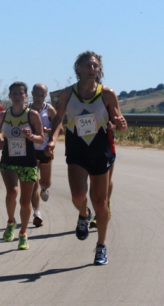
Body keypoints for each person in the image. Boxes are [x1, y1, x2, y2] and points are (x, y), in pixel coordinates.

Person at [45, 51, 127, 265]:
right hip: (77, 150)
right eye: (88, 65)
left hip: (100, 150)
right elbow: (59, 119)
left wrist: (121, 123)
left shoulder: (107, 94)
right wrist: (52, 140)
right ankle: (83, 214)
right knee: (78, 197)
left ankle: (101, 246)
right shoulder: (66, 94)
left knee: (101, 202)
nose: (92, 69)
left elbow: (118, 119)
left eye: (95, 66)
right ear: (78, 68)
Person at [0, 82, 45, 250]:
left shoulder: (33, 115)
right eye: (14, 93)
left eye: (20, 93)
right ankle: (10, 221)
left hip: (28, 162)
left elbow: (41, 139)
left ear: (25, 96)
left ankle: (23, 233)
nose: (17, 96)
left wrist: (31, 137)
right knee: (12, 192)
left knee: (25, 202)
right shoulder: (2, 116)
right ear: (10, 96)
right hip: (9, 160)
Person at [29, 83, 59, 227]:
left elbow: (60, 129)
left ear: (45, 96)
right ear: (32, 94)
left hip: (45, 149)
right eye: (36, 94)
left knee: (45, 181)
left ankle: (45, 187)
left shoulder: (50, 110)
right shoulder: (26, 109)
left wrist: (48, 131)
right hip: (30, 150)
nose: (39, 98)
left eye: (42, 95)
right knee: (33, 181)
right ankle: (37, 212)